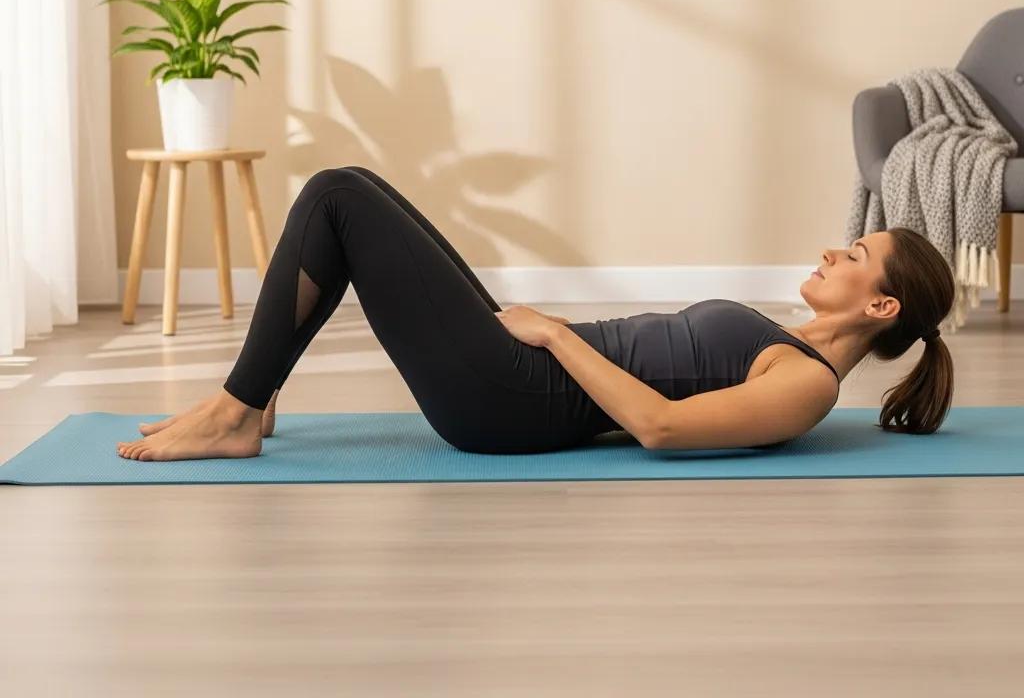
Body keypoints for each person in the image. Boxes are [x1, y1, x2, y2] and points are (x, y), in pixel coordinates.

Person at [116, 167, 956, 462]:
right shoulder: (790, 341)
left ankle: (234, 410)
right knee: (356, 192)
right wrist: (551, 332)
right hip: (521, 369)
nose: (832, 251)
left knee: (336, 196)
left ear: (881, 304)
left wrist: (555, 333)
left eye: (854, 256)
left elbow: (660, 427)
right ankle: (250, 402)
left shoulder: (805, 385)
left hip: (512, 400)